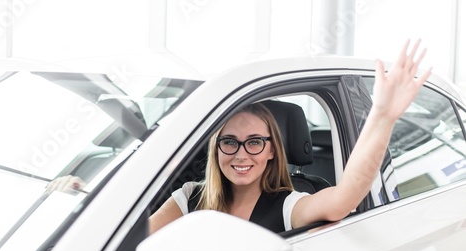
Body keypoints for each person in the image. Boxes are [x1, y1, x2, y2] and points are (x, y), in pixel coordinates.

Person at [148, 39, 432, 234]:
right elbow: (130, 244)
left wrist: (382, 116)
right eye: (230, 142)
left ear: (272, 150)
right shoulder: (189, 197)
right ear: (217, 149)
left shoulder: (287, 205)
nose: (241, 154)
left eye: (255, 142)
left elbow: (343, 199)